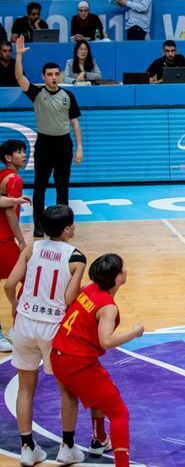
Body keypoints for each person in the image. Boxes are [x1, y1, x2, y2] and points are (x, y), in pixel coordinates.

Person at [4, 204, 87, 466]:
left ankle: (27, 449)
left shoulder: (32, 248)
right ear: (67, 229)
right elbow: (69, 298)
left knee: (25, 388)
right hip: (53, 328)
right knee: (67, 390)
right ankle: (67, 447)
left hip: (25, 323)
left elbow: (9, 284)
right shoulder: (76, 257)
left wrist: (15, 305)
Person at [50, 253, 144, 467]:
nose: (126, 269)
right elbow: (106, 341)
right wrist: (135, 332)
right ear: (118, 277)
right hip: (77, 363)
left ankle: (98, 438)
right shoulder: (108, 307)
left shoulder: (89, 288)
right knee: (119, 413)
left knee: (96, 394)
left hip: (58, 353)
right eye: (123, 267)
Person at [15, 35, 84, 237]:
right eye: (49, 74)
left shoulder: (68, 96)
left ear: (60, 75)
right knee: (40, 186)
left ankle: (62, 226)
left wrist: (79, 147)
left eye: (56, 74)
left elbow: (75, 123)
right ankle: (38, 225)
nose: (53, 77)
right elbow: (19, 78)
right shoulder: (37, 94)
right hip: (45, 144)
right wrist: (19, 55)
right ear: (43, 77)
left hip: (64, 144)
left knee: (62, 187)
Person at [0, 140, 27, 352]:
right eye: (19, 152)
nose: (24, 155)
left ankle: (15, 328)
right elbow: (10, 214)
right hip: (4, 241)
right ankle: (17, 328)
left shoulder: (2, 175)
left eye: (24, 151)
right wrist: (21, 240)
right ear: (8, 158)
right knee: (28, 280)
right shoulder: (14, 179)